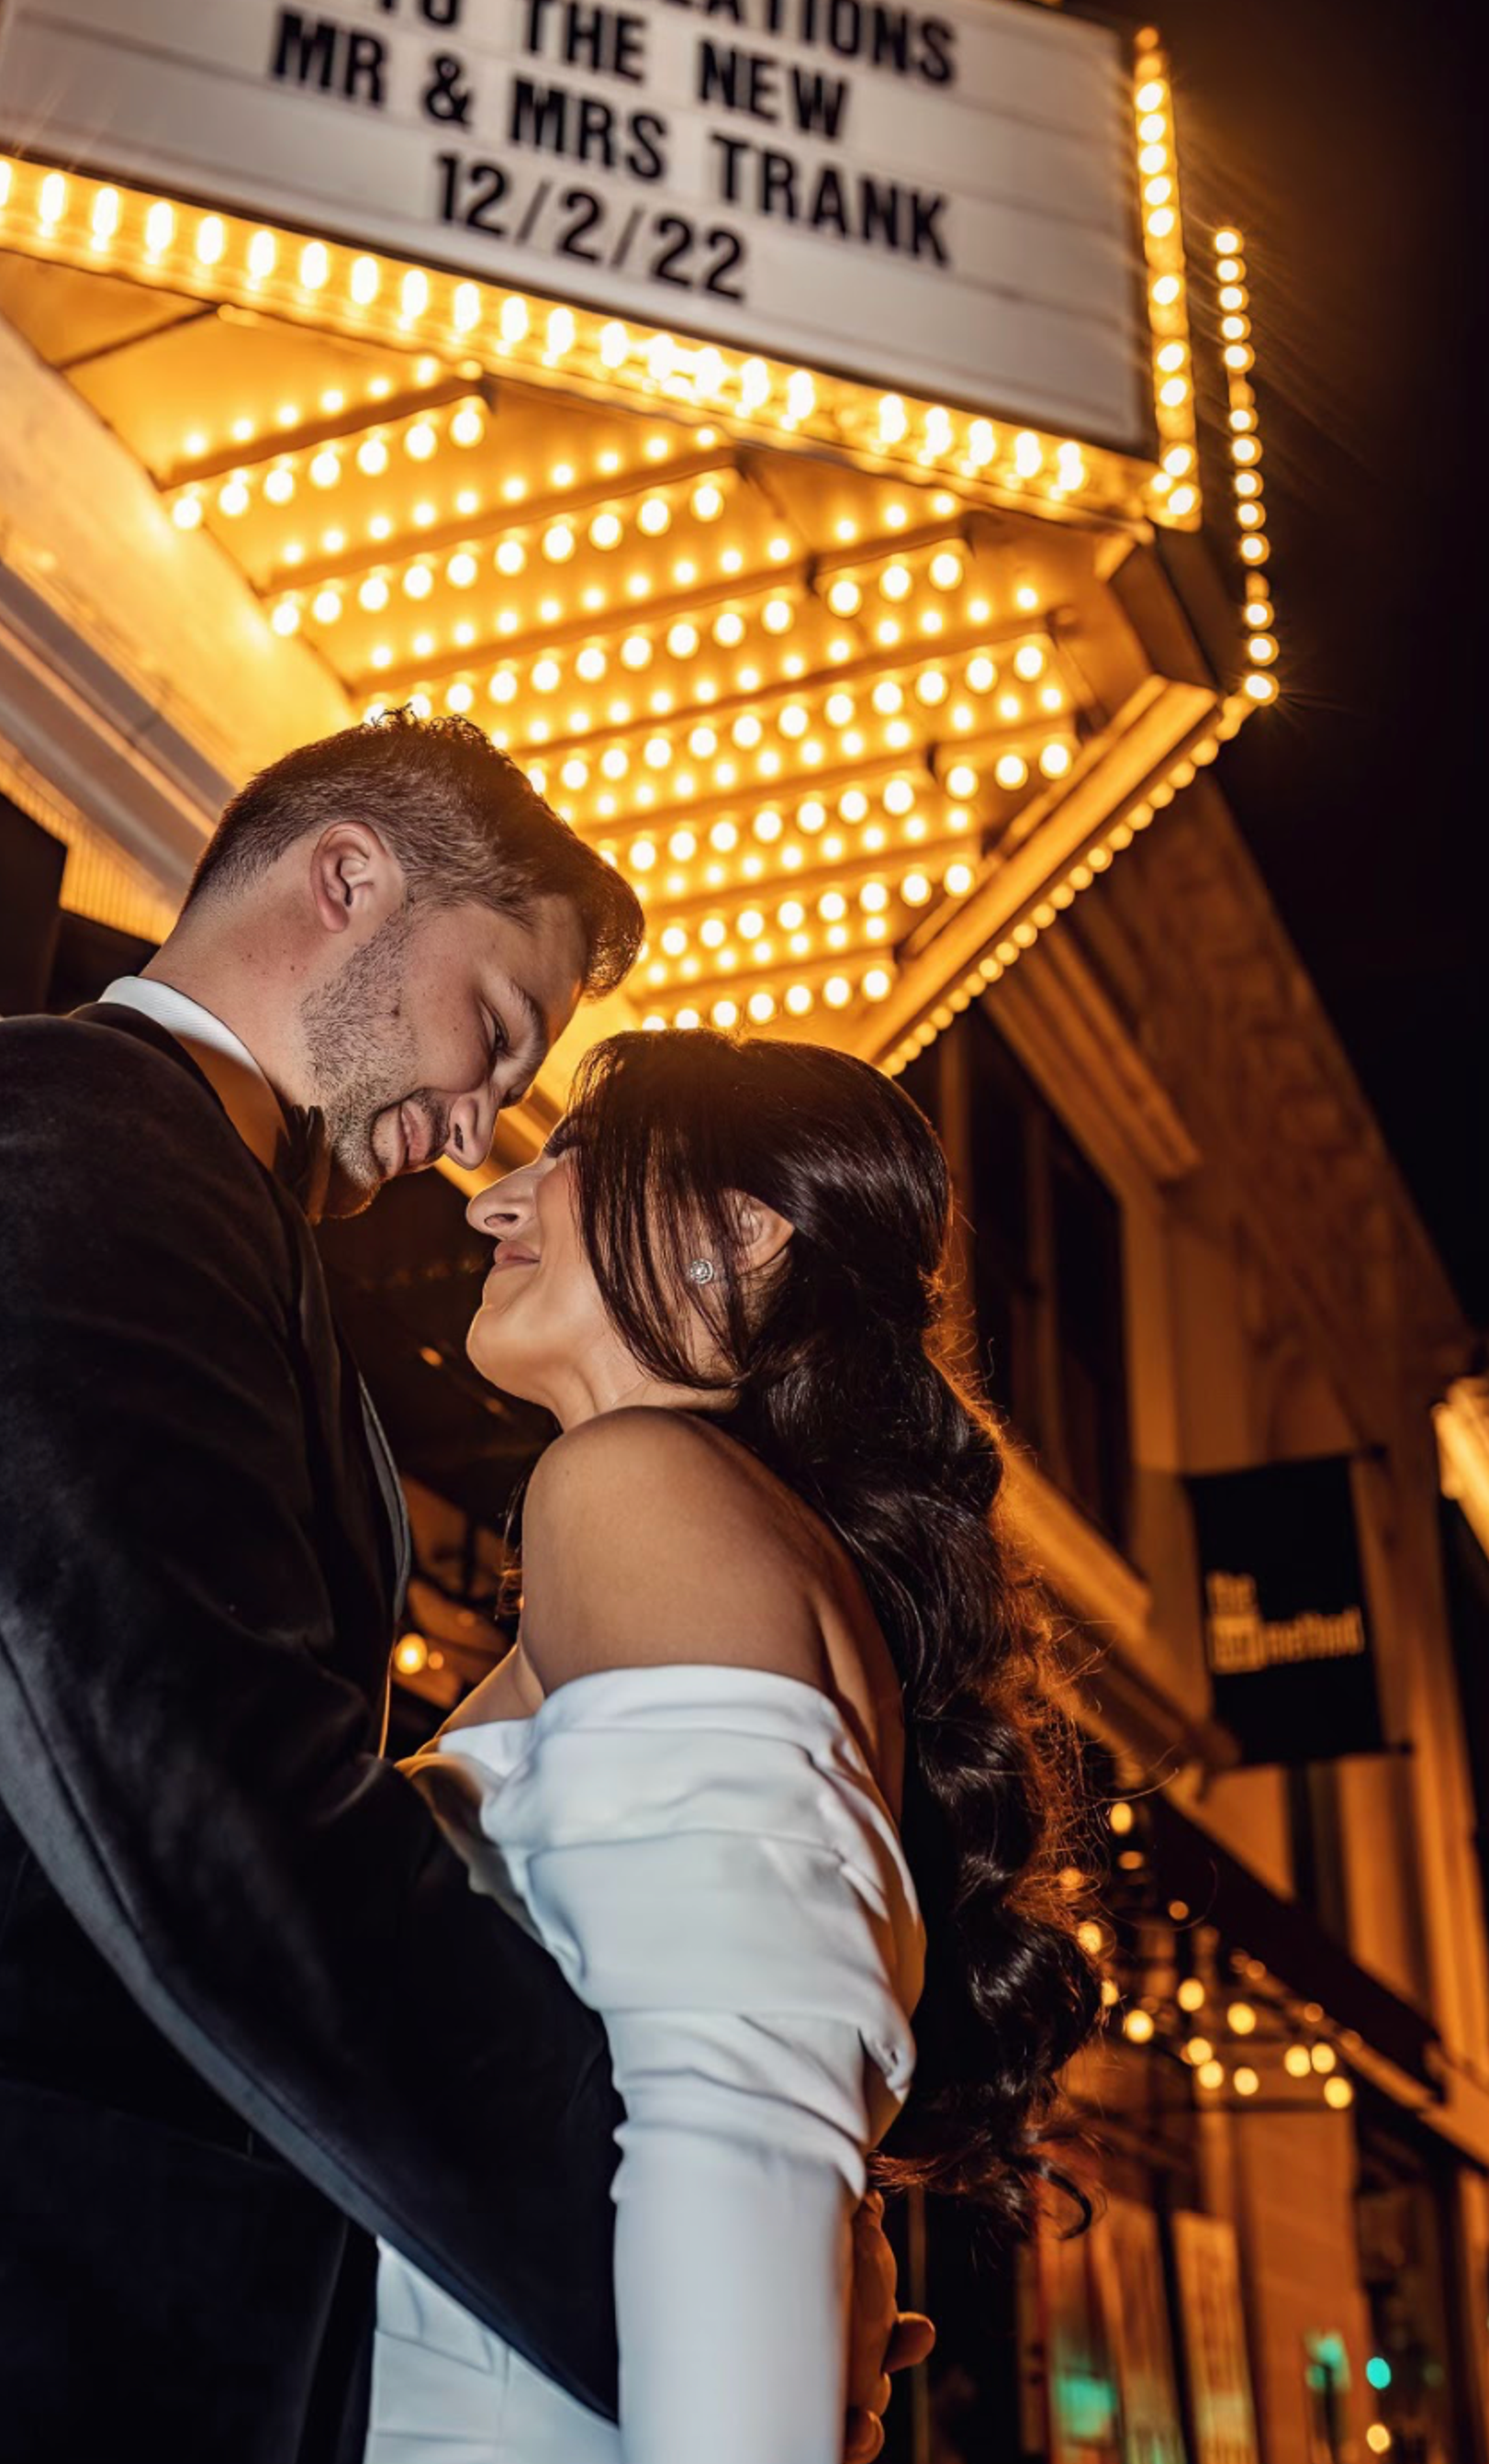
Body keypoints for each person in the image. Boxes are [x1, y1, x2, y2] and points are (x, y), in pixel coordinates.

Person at [0, 715, 913, 2464]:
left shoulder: (196, 1218)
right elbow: (198, 1792)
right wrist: (705, 2293)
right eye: (494, 1030)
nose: (471, 1136)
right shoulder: (57, 1126)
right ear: (347, 878)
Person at [366, 1026, 1103, 2461]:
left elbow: (735, 2105)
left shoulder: (635, 1486)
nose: (491, 1201)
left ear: (740, 1235)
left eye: (574, 1162)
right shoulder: (712, 1546)